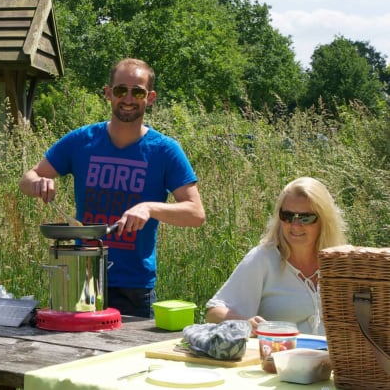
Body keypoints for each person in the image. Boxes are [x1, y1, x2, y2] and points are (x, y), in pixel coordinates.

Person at [19, 58, 206, 317]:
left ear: (150, 98)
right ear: (108, 93)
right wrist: (38, 182)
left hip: (134, 286)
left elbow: (196, 213)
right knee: (77, 353)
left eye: (137, 92)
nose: (128, 98)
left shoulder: (165, 150)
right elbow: (27, 179)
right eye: (120, 90)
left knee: (129, 357)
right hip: (82, 276)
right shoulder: (81, 141)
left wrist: (149, 208)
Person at [205, 177, 348, 335]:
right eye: (287, 216)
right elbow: (213, 314)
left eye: (306, 218)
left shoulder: (341, 262)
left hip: (333, 359)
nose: (295, 225)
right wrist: (246, 324)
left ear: (324, 220)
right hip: (279, 357)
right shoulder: (263, 258)